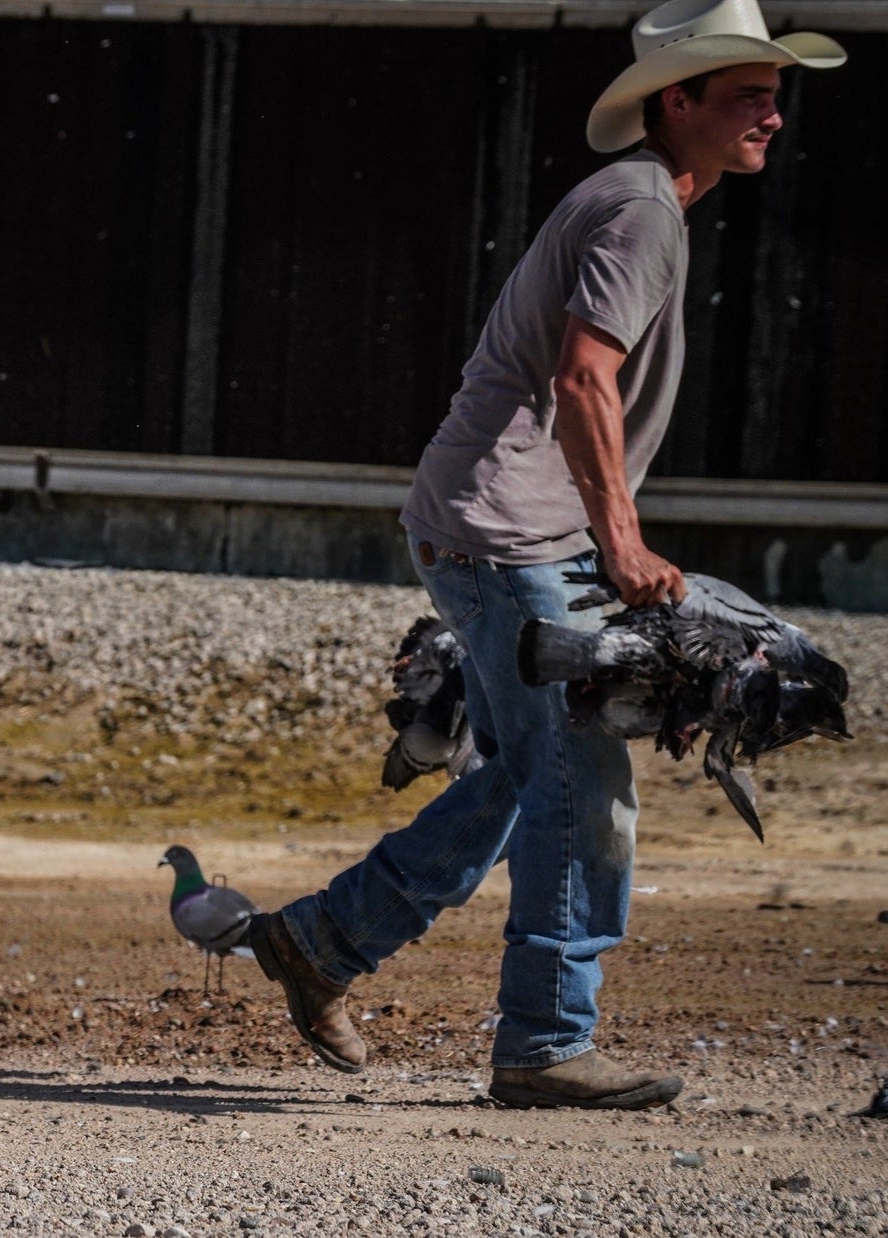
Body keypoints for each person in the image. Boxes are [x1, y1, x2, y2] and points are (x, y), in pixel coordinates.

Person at [247, 0, 846, 1109]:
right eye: (745, 93)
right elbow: (581, 374)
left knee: (530, 776)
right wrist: (616, 540)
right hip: (505, 532)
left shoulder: (635, 200)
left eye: (773, 90)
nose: (770, 110)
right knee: (579, 782)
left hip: (493, 522)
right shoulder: (641, 211)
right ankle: (541, 1042)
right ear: (677, 102)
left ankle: (321, 942)